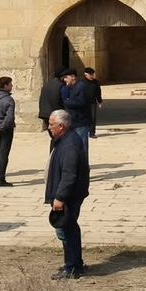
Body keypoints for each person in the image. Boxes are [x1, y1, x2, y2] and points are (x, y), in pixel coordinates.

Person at [44, 109, 90, 279]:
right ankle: (75, 263)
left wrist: (60, 197)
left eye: (51, 124)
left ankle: (72, 267)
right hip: (67, 194)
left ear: (61, 126)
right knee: (68, 229)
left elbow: (69, 175)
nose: (49, 127)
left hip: (69, 196)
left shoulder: (70, 145)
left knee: (66, 230)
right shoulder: (64, 140)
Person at [61, 68, 95, 149]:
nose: (65, 80)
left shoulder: (81, 87)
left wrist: (66, 102)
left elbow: (81, 102)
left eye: (66, 77)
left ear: (73, 77)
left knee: (82, 146)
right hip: (74, 121)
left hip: (81, 122)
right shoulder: (71, 87)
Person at [81, 67, 104, 138]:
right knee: (84, 118)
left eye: (93, 74)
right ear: (86, 74)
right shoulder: (81, 83)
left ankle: (92, 133)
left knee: (93, 118)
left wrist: (100, 101)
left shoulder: (96, 82)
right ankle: (83, 133)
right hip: (83, 103)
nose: (92, 76)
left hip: (92, 103)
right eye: (90, 74)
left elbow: (98, 92)